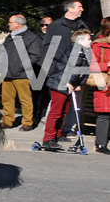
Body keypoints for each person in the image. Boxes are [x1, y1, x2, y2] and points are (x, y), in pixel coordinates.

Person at [40, 29, 93, 149]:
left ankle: (58, 134)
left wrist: (79, 83)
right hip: (60, 82)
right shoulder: (76, 50)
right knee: (56, 111)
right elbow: (71, 68)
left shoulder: (85, 52)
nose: (91, 41)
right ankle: (48, 138)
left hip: (70, 84)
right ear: (81, 40)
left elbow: (84, 71)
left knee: (64, 111)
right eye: (89, 39)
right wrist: (69, 82)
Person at [1, 15, 42, 131]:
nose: (8, 24)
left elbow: (35, 55)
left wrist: (21, 66)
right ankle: (8, 121)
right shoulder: (9, 37)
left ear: (18, 24)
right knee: (6, 99)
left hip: (22, 74)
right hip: (7, 73)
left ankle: (27, 122)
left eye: (10, 22)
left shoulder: (30, 37)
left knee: (25, 100)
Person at [91, 18, 110, 154]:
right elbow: (91, 65)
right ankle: (101, 144)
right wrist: (107, 65)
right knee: (105, 114)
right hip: (104, 83)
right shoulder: (98, 45)